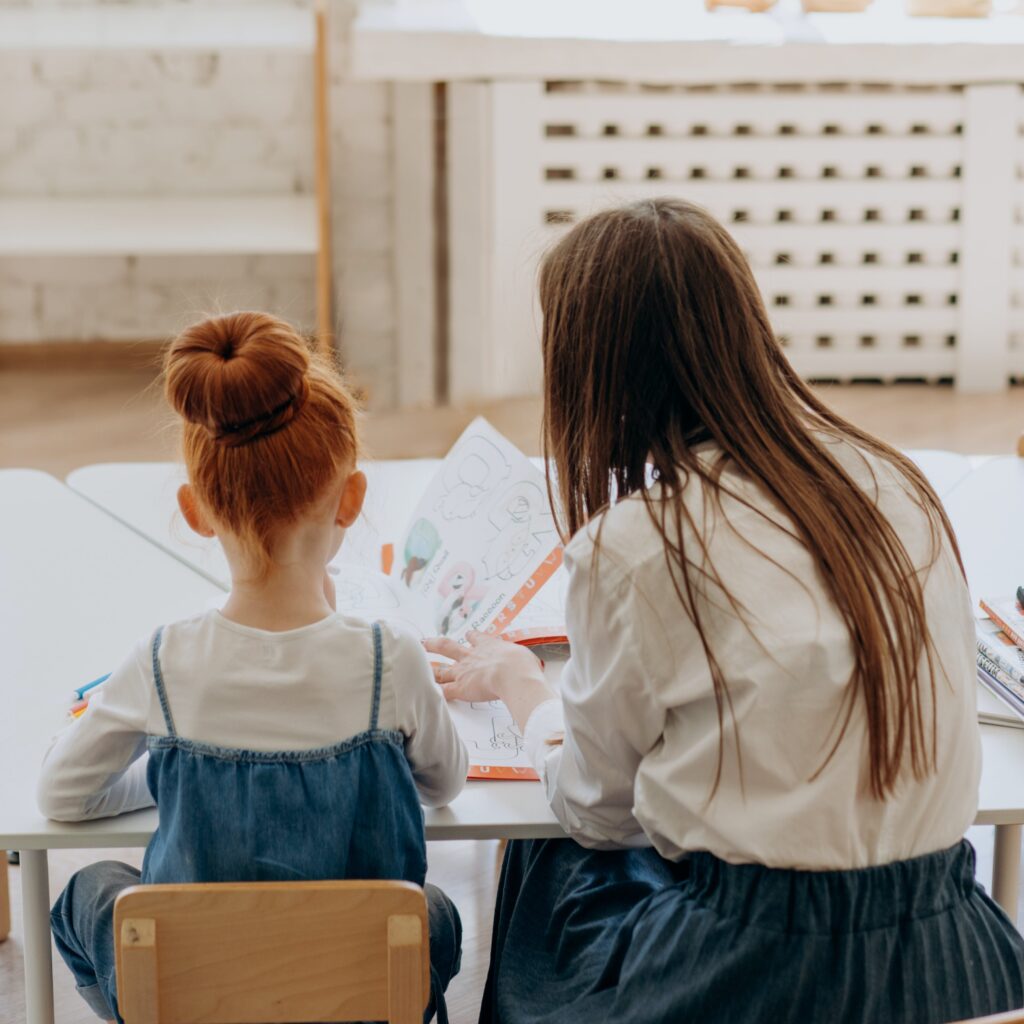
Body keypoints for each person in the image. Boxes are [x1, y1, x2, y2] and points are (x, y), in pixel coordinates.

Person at [427, 199, 1024, 1024]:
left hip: (755, 973)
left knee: (549, 855)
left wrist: (525, 687)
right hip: (954, 954)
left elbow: (597, 810)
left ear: (597, 372)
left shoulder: (634, 546)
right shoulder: (899, 487)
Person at [40, 311, 467, 1024]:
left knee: (88, 893)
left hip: (199, 998)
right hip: (357, 999)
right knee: (434, 915)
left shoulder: (164, 661)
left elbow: (62, 795)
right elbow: (444, 783)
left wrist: (169, 763)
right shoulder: (390, 657)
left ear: (197, 511)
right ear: (352, 500)